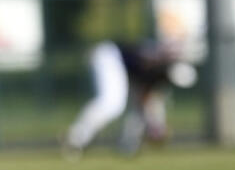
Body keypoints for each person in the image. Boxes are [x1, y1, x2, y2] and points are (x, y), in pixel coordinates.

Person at [63, 38, 196, 157]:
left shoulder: (158, 68)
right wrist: (155, 129)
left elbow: (145, 102)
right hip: (109, 57)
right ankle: (76, 137)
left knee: (131, 107)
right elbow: (144, 98)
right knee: (112, 103)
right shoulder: (155, 71)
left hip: (115, 60)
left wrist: (155, 126)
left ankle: (127, 144)